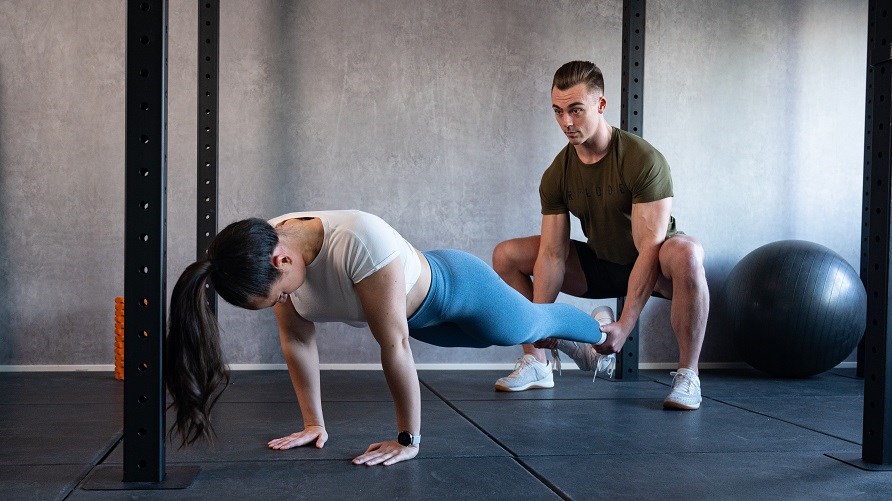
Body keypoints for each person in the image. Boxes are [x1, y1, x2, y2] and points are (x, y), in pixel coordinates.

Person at [165, 209, 609, 466]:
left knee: (522, 327)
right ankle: (563, 339)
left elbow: (393, 345)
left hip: (457, 288)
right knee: (489, 341)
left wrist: (407, 440)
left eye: (280, 295)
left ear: (283, 261)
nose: (284, 303)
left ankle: (600, 330)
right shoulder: (262, 252)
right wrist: (313, 424)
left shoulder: (357, 241)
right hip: (419, 320)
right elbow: (298, 342)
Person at [491, 61, 709, 410]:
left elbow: (649, 251)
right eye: (558, 111)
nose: (566, 122)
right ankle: (538, 363)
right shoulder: (557, 174)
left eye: (576, 110)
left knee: (688, 252)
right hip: (601, 263)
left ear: (600, 105)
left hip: (656, 267)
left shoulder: (642, 160)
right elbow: (552, 254)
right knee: (507, 254)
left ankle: (688, 375)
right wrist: (539, 322)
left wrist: (624, 326)